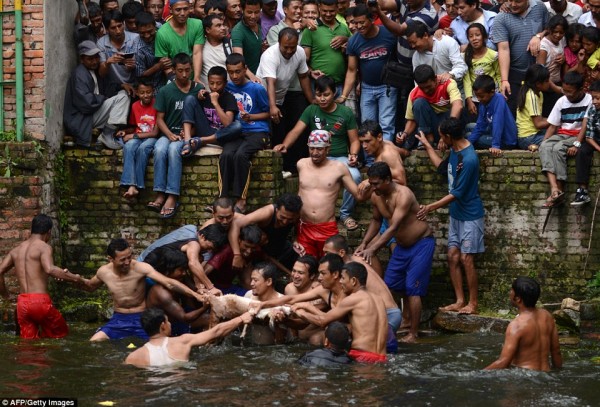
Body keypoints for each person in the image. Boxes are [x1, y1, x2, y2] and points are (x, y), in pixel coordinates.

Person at [356, 162, 433, 343]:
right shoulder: (376, 196)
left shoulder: (403, 195)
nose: (372, 188)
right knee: (390, 285)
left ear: (388, 180)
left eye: (376, 184)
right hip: (401, 247)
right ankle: (401, 322)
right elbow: (376, 220)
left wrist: (373, 249)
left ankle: (413, 333)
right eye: (371, 183)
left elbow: (393, 227)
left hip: (421, 243)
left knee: (413, 288)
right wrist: (364, 243)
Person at [274, 76, 362, 231]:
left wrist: (353, 154)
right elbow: (296, 131)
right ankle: (302, 216)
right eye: (318, 95)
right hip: (316, 156)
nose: (322, 99)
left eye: (326, 95)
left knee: (355, 176)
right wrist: (284, 145)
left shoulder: (345, 112)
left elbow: (354, 140)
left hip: (339, 158)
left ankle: (345, 214)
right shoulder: (311, 110)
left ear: (334, 93)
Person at [417, 117, 485, 315]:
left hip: (471, 215)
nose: (440, 140)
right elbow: (442, 168)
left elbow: (457, 194)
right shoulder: (455, 151)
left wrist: (430, 207)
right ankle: (459, 300)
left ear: (448, 136)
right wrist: (427, 146)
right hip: (456, 215)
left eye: (441, 137)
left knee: (466, 259)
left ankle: (472, 303)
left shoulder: (469, 159)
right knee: (452, 256)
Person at [82, 238, 206, 341]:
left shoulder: (141, 268)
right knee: (94, 341)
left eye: (129, 257)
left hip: (141, 318)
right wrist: (72, 279)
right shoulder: (103, 272)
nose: (127, 262)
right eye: (122, 260)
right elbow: (90, 287)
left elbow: (169, 283)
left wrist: (195, 295)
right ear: (111, 259)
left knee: (157, 346)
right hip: (118, 318)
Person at [0, 214, 85, 339]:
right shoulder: (43, 247)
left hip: (22, 303)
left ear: (32, 229)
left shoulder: (16, 250)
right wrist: (75, 278)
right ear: (49, 232)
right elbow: (49, 269)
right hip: (39, 302)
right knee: (61, 333)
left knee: (29, 345)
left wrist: (6, 296)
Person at [283, 130, 362, 258]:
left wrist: (369, 183)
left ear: (327, 149)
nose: (315, 153)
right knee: (306, 267)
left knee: (330, 268)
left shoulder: (339, 168)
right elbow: (300, 194)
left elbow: (359, 196)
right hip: (304, 227)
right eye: (312, 148)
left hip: (327, 228)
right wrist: (296, 233)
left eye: (319, 149)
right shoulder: (301, 164)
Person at [293, 262, 388, 363]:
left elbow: (322, 321)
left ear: (353, 281)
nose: (340, 282)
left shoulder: (353, 299)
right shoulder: (379, 299)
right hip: (382, 358)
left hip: (361, 356)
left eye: (343, 278)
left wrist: (300, 312)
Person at [147, 53, 204, 219]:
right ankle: (159, 194)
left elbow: (203, 118)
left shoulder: (198, 90)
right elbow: (160, 119)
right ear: (174, 70)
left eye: (187, 70)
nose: (184, 74)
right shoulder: (166, 90)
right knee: (159, 149)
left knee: (173, 151)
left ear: (192, 69)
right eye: (180, 71)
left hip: (187, 135)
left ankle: (172, 196)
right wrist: (170, 134)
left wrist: (190, 132)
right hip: (169, 132)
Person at [323, 234, 401, 351]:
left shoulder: (348, 271)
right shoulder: (357, 259)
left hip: (386, 314)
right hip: (394, 312)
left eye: (327, 253)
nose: (325, 256)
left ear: (341, 253)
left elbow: (339, 305)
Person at [257, 28, 313, 175]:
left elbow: (303, 77)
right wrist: (273, 106)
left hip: (282, 96)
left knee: (296, 125)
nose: (289, 51)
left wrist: (312, 100)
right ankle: (277, 170)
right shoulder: (270, 55)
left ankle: (293, 167)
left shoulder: (300, 52)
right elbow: (271, 82)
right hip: (264, 97)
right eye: (285, 47)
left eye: (292, 47)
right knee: (276, 132)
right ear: (278, 43)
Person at [220, 53, 270, 214]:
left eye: (238, 71)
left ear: (245, 70)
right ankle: (223, 198)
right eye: (231, 72)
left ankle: (241, 200)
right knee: (226, 154)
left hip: (257, 131)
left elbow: (269, 113)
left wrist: (252, 116)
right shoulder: (227, 87)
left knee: (241, 155)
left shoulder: (257, 88)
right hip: (236, 132)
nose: (235, 76)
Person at [340, 5, 398, 142]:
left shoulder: (388, 34)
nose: (358, 26)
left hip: (388, 87)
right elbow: (352, 70)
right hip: (367, 88)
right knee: (367, 126)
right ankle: (371, 161)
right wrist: (344, 95)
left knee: (386, 124)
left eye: (362, 22)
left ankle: (385, 160)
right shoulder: (354, 41)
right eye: (355, 23)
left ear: (372, 19)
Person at [125, 307, 253, 367]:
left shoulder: (134, 356)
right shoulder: (182, 341)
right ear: (162, 326)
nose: (170, 324)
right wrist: (242, 318)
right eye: (168, 321)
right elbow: (216, 332)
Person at [485, 277, 562, 371]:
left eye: (511, 290)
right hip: (546, 374)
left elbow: (503, 362)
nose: (510, 293)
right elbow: (556, 351)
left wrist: (477, 374)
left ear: (518, 299)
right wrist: (558, 372)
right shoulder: (547, 316)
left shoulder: (516, 325)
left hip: (524, 377)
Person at [63, 40, 130, 149]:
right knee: (122, 98)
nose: (94, 61)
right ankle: (107, 134)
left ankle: (108, 132)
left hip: (92, 113)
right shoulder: (79, 74)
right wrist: (104, 98)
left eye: (96, 57)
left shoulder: (94, 70)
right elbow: (87, 103)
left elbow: (107, 88)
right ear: (82, 60)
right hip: (82, 118)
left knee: (123, 93)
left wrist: (121, 86)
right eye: (90, 59)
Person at [539, 71, 591, 208]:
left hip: (578, 135)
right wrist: (544, 142)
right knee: (544, 146)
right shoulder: (561, 101)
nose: (567, 94)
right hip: (563, 134)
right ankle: (554, 188)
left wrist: (577, 143)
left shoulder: (589, 100)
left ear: (581, 89)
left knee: (557, 148)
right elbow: (552, 126)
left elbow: (585, 126)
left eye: (570, 92)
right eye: (564, 90)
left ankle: (561, 189)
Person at [491, 0, 548, 115]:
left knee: (540, 112)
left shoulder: (540, 7)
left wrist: (538, 36)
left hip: (539, 73)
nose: (512, 4)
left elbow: (549, 29)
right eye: (509, 0)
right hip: (515, 74)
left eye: (517, 1)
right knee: (515, 112)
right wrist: (505, 80)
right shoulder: (501, 18)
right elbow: (503, 49)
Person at [138, 223, 228, 295]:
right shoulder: (194, 243)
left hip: (148, 265)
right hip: (146, 270)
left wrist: (198, 285)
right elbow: (193, 264)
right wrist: (211, 287)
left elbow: (194, 263)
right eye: (209, 247)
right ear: (202, 236)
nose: (208, 251)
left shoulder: (191, 228)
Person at [229, 193, 303, 271]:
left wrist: (296, 240)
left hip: (280, 246)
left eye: (290, 219)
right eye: (282, 217)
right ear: (277, 210)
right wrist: (237, 255)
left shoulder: (297, 216)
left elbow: (297, 228)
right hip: (260, 251)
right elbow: (235, 224)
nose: (285, 222)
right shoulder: (267, 212)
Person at [396, 64, 463, 149]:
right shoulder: (414, 93)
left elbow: (458, 105)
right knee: (419, 103)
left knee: (458, 111)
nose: (426, 90)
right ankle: (427, 140)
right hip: (432, 126)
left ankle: (451, 140)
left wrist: (446, 132)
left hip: (448, 126)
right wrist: (404, 134)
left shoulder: (448, 83)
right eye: (422, 88)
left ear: (435, 79)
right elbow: (411, 120)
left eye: (428, 87)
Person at [146, 248, 209, 335]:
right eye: (181, 270)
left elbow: (194, 290)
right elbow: (184, 318)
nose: (184, 273)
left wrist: (203, 291)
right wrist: (205, 307)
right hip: (169, 327)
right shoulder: (161, 293)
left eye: (184, 270)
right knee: (208, 320)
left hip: (180, 316)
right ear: (168, 271)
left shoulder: (180, 277)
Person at [181, 65, 242, 154]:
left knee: (237, 126)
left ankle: (202, 141)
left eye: (218, 83)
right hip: (206, 131)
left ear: (225, 83)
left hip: (221, 136)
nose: (214, 87)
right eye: (211, 83)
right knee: (189, 99)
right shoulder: (204, 96)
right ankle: (187, 140)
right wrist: (189, 132)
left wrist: (215, 103)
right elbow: (197, 119)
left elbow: (227, 124)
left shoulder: (229, 98)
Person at [117, 79, 159, 201]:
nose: (146, 95)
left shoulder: (157, 105)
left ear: (153, 91)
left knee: (143, 149)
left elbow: (155, 132)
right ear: (137, 93)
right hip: (138, 135)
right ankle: (131, 185)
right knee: (129, 146)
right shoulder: (135, 106)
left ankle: (137, 185)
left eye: (148, 92)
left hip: (152, 138)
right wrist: (126, 132)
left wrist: (134, 136)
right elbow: (134, 126)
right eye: (142, 93)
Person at [300, 0, 351, 94]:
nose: (328, 14)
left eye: (331, 11)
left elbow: (352, 54)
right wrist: (311, 72)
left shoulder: (343, 27)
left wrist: (347, 40)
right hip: (319, 86)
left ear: (337, 9)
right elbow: (303, 60)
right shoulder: (311, 28)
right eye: (324, 11)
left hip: (340, 85)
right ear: (319, 8)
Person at [466, 74, 518, 155]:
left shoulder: (499, 99)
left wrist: (495, 145)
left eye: (481, 96)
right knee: (469, 127)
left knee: (472, 137)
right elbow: (480, 125)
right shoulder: (483, 103)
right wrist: (467, 143)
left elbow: (498, 122)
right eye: (477, 96)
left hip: (506, 140)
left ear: (492, 92)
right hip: (492, 130)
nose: (479, 99)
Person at [204, 224, 263, 295]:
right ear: (239, 240)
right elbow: (205, 271)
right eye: (246, 246)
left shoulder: (254, 252)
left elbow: (246, 279)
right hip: (214, 289)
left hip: (230, 288)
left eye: (253, 248)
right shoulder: (226, 251)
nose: (249, 251)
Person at [155, 0, 205, 82]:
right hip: (174, 78)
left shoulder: (197, 24)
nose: (182, 13)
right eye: (178, 10)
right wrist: (176, 82)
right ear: (170, 10)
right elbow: (165, 64)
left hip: (195, 75)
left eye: (185, 9)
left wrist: (196, 78)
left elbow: (197, 53)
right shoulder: (162, 33)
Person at [97, 10, 141, 101]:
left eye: (120, 26)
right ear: (107, 29)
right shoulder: (101, 43)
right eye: (113, 28)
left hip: (137, 86)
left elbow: (144, 67)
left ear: (123, 24)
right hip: (115, 88)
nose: (118, 31)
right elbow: (101, 73)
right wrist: (108, 62)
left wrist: (134, 66)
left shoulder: (135, 38)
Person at [406, 20, 468, 85]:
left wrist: (451, 74)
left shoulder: (447, 42)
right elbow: (418, 81)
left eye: (414, 42)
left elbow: (461, 66)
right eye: (410, 43)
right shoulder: (416, 57)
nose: (412, 46)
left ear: (425, 35)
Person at [244, 262, 289, 344]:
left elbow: (282, 340)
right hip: (251, 347)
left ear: (268, 281)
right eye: (251, 279)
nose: (251, 283)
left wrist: (277, 321)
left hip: (274, 350)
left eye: (255, 280)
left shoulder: (282, 302)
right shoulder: (249, 295)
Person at [462, 23, 500, 118]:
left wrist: (501, 93)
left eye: (477, 35)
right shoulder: (465, 57)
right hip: (476, 98)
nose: (474, 38)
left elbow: (499, 75)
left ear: (484, 37)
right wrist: (469, 100)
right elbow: (467, 80)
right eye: (471, 36)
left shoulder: (493, 55)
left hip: (492, 95)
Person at [571, 80, 600, 206]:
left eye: (597, 98)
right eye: (593, 98)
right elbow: (589, 137)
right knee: (582, 151)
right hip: (595, 139)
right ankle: (582, 190)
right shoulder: (593, 110)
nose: (594, 101)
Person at [536, 15, 569, 116]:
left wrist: (564, 59)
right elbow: (540, 71)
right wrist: (555, 87)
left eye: (561, 33)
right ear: (549, 30)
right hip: (547, 86)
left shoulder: (562, 41)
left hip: (557, 82)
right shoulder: (544, 46)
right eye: (555, 32)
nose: (558, 35)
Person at [516, 64, 551, 151]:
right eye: (547, 81)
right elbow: (538, 124)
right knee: (556, 141)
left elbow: (539, 118)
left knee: (559, 132)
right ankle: (533, 146)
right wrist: (556, 120)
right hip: (527, 138)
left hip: (535, 133)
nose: (549, 83)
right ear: (538, 84)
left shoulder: (539, 93)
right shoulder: (531, 96)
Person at [135, 11, 169, 95]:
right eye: (142, 33)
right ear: (137, 29)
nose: (147, 35)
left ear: (155, 26)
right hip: (153, 86)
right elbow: (140, 74)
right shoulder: (138, 49)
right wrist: (158, 66)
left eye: (150, 31)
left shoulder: (161, 28)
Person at [231, 0, 264, 75]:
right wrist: (253, 77)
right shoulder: (238, 31)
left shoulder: (259, 26)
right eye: (249, 12)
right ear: (242, 10)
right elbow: (238, 60)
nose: (253, 16)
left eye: (256, 12)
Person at [199, 14, 230, 86]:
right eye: (218, 26)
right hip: (206, 92)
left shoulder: (229, 44)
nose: (223, 28)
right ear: (208, 30)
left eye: (223, 25)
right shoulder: (200, 46)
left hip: (227, 90)